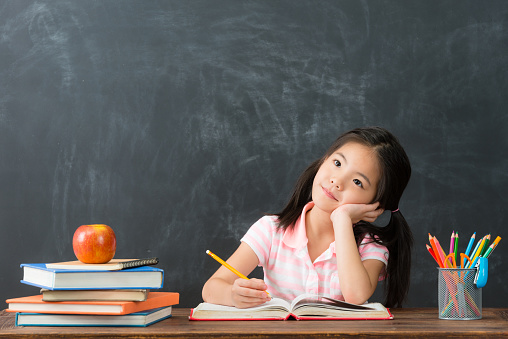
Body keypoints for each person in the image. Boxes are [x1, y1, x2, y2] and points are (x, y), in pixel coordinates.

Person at [202, 126, 413, 309]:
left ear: (375, 203)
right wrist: (233, 295)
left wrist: (341, 219)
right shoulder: (271, 231)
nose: (337, 181)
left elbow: (356, 295)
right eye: (337, 163)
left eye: (358, 182)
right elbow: (211, 289)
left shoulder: (369, 246)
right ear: (323, 160)